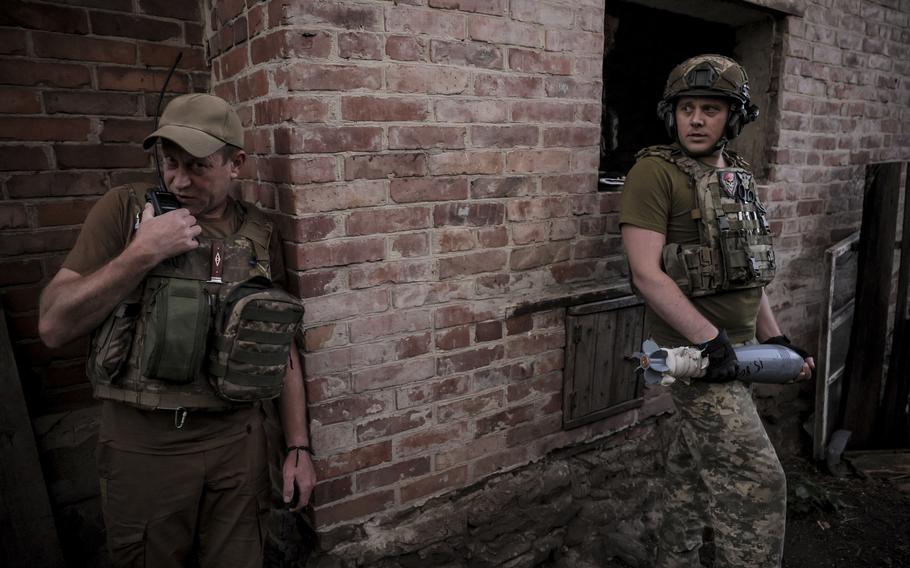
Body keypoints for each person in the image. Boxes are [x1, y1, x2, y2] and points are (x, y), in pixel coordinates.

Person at [38, 93, 316, 567]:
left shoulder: (261, 234)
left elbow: (279, 345)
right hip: (145, 448)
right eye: (169, 163)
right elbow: (53, 325)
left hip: (237, 444)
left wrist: (298, 446)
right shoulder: (126, 211)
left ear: (236, 164)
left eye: (197, 166)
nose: (179, 180)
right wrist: (142, 253)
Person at [619, 55, 815, 567]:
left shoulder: (737, 175)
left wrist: (774, 338)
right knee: (758, 480)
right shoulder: (653, 172)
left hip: (741, 351)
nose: (697, 119)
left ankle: (674, 558)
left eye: (711, 108)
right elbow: (646, 274)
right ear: (672, 114)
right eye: (687, 108)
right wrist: (709, 340)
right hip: (696, 354)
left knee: (689, 471)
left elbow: (747, 270)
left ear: (735, 117)